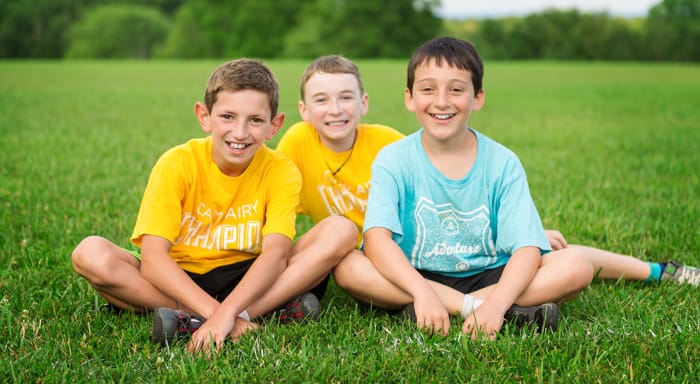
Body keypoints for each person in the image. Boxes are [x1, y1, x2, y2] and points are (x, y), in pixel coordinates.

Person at [277, 53, 699, 335]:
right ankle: (502, 309)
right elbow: (289, 218)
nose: (335, 109)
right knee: (348, 267)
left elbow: (449, 180)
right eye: (322, 100)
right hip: (403, 263)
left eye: (345, 97)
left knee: (572, 265)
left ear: (364, 102)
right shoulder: (329, 149)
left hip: (473, 259)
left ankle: (659, 270)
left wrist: (525, 239)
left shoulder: (390, 142)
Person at [71, 58, 358, 354]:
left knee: (341, 229)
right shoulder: (177, 163)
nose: (240, 132)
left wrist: (226, 313)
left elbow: (275, 255)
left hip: (249, 275)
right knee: (90, 253)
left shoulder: (280, 170)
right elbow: (154, 259)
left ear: (274, 125)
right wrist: (219, 314)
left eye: (255, 120)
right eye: (228, 117)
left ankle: (197, 320)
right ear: (204, 116)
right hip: (180, 276)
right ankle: (237, 318)